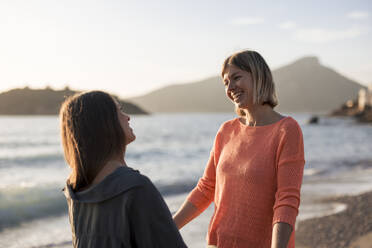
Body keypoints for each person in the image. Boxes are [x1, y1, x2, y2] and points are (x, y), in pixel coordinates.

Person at [173, 50, 305, 248]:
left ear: (258, 76)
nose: (230, 88)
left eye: (236, 78)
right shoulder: (226, 130)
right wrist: (167, 227)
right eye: (226, 82)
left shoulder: (286, 130)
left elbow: (287, 201)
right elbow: (206, 188)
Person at [60, 91, 187, 248]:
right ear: (104, 123)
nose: (128, 117)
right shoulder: (135, 188)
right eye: (119, 110)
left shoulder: (75, 192)